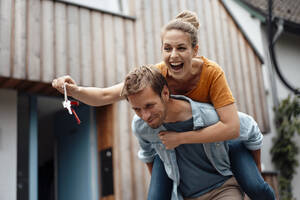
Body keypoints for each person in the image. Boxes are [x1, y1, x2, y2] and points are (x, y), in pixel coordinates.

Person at [52, 10, 275, 200]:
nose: (173, 55)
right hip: (173, 144)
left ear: (195, 50)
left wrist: (181, 138)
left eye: (181, 48)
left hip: (217, 139)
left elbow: (233, 127)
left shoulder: (211, 73)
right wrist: (73, 90)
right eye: (167, 48)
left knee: (256, 187)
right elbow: (103, 95)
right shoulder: (158, 76)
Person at [121, 65, 264, 200]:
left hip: (222, 189)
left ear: (165, 93)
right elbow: (148, 155)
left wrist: (255, 172)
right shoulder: (141, 126)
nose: (145, 116)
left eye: (149, 106)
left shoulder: (209, 116)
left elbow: (250, 128)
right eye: (137, 109)